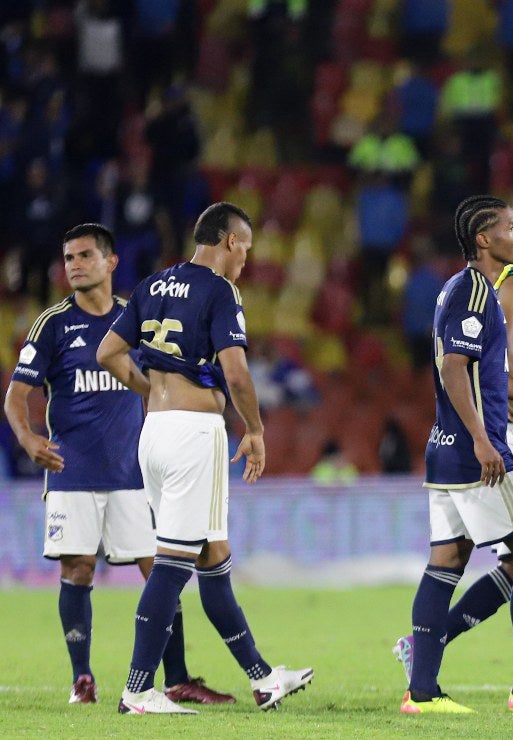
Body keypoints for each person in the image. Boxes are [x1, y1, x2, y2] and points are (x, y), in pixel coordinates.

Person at [4, 223, 234, 707]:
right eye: (68, 258)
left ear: (111, 263)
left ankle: (178, 678)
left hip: (134, 474)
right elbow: (15, 397)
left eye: (85, 255)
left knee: (163, 569)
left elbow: (169, 379)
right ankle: (82, 679)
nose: (74, 265)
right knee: (79, 567)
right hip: (73, 470)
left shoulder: (139, 316)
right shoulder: (52, 324)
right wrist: (27, 438)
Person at [96, 203, 313, 715]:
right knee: (172, 566)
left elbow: (107, 352)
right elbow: (236, 374)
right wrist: (256, 430)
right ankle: (137, 690)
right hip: (194, 437)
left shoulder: (151, 285)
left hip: (154, 433)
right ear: (231, 241)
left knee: (213, 556)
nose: (246, 260)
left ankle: (263, 679)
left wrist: (153, 392)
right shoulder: (220, 291)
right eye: (247, 248)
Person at [391, 198, 513, 702]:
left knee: (447, 563)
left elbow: (488, 373)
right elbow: (455, 368)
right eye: (508, 228)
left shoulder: (465, 288)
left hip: (449, 449)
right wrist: (487, 437)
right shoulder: (479, 291)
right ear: (484, 240)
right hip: (472, 451)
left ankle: (422, 692)